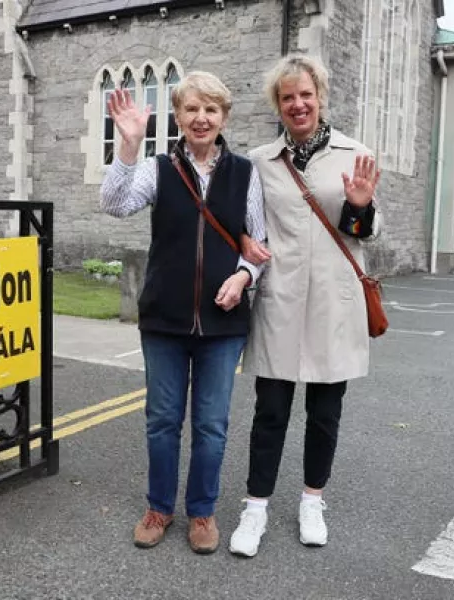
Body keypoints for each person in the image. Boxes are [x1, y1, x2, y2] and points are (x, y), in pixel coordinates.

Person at [100, 71, 269, 554]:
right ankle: (159, 507)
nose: (201, 118)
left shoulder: (244, 173)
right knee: (162, 420)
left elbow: (259, 243)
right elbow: (114, 204)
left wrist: (243, 278)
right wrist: (128, 146)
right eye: (192, 109)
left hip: (223, 325)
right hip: (164, 322)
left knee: (212, 425)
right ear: (177, 116)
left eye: (211, 110)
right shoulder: (158, 169)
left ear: (224, 118)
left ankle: (202, 512)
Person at [228, 55, 382, 558]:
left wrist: (359, 207)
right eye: (288, 97)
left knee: (324, 413)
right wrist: (246, 242)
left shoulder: (354, 154)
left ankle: (312, 501)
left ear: (321, 97)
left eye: (305, 95)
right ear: (278, 104)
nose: (298, 104)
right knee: (270, 411)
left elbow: (366, 234)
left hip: (335, 304)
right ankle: (255, 508)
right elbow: (246, 222)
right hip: (280, 299)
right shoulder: (259, 161)